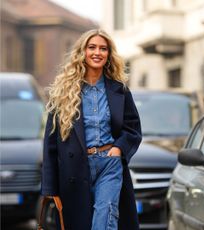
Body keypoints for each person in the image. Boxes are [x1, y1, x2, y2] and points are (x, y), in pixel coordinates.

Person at [41, 29, 142, 230]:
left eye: (103, 48)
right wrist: (50, 187)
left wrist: (118, 149)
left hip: (109, 163)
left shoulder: (119, 90)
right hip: (75, 168)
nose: (98, 52)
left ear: (109, 54)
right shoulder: (63, 92)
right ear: (83, 52)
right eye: (92, 47)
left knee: (105, 217)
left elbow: (133, 128)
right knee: (82, 223)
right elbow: (51, 142)